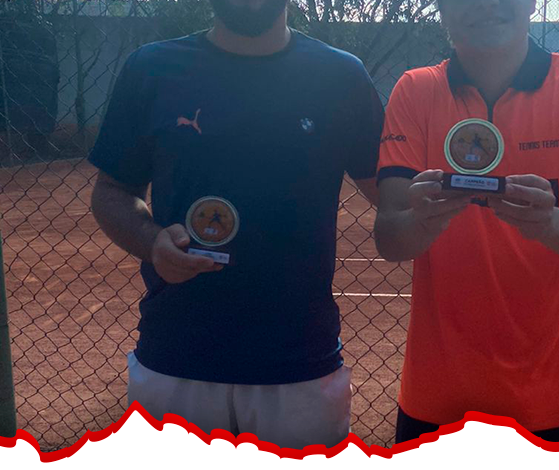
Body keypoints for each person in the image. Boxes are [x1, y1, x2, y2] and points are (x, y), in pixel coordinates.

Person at [89, 0, 383, 448]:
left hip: (300, 367)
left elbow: (392, 193)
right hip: (175, 359)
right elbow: (111, 191)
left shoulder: (341, 76)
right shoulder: (151, 68)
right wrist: (152, 242)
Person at [374, 0, 559, 443]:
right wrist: (420, 223)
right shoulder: (415, 90)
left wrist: (550, 225)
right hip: (438, 400)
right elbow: (389, 236)